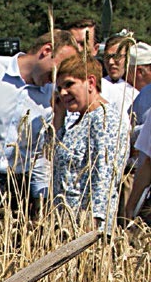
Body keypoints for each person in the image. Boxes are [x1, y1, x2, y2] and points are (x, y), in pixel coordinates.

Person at [0, 28, 78, 213]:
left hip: (18, 188)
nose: (59, 77)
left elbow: (39, 151)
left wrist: (40, 196)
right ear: (46, 50)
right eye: (59, 68)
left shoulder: (50, 97)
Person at [48, 54, 125, 232]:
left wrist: (94, 220)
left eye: (69, 84)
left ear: (90, 82)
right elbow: (50, 152)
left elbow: (105, 173)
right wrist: (58, 116)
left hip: (85, 225)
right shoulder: (78, 120)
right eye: (59, 88)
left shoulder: (105, 118)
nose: (63, 93)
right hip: (66, 221)